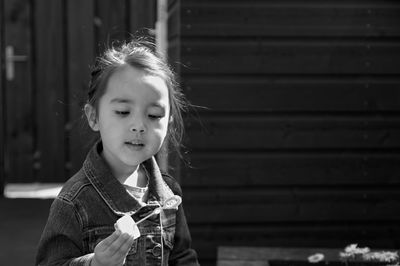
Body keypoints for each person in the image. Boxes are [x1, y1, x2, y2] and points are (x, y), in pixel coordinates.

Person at [36, 39, 199, 266]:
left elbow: (183, 258)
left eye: (153, 115)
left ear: (169, 122)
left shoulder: (169, 193)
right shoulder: (74, 202)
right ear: (94, 117)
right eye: (123, 111)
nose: (139, 125)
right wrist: (95, 263)